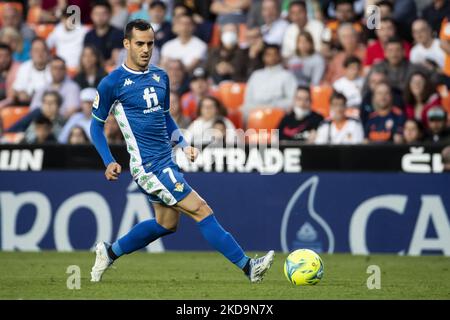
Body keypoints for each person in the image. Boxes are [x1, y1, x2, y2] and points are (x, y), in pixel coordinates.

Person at [89, 19, 274, 283]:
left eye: (150, 44)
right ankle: (248, 267)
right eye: (139, 43)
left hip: (167, 162)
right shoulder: (112, 83)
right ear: (126, 44)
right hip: (148, 168)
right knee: (201, 209)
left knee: (166, 224)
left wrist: (183, 145)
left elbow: (165, 118)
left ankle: (109, 252)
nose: (145, 49)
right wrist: (108, 161)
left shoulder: (160, 76)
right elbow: (95, 127)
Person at [243, 44, 297, 118]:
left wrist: (272, 106)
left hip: (276, 109)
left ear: (279, 56)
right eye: (268, 54)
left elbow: (292, 99)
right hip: (255, 108)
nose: (272, 57)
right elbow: (248, 99)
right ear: (264, 57)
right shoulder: (256, 75)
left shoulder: (287, 76)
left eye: (275, 54)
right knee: (242, 110)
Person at [83, 1, 124, 70]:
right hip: (92, 71)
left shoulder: (118, 34)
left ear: (110, 14)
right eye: (96, 14)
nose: (100, 17)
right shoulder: (88, 36)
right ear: (91, 15)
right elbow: (86, 58)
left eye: (103, 14)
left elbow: (115, 59)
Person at [12, 38, 52, 106]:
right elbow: (16, 88)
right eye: (36, 50)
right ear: (30, 53)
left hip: (47, 105)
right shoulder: (24, 67)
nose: (40, 54)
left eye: (43, 50)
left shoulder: (54, 67)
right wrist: (20, 93)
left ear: (48, 53)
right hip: (27, 103)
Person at [0, 43, 20, 109]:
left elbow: (11, 99)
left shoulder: (18, 69)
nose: (3, 59)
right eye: (0, 56)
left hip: (10, 106)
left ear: (11, 56)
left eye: (6, 56)